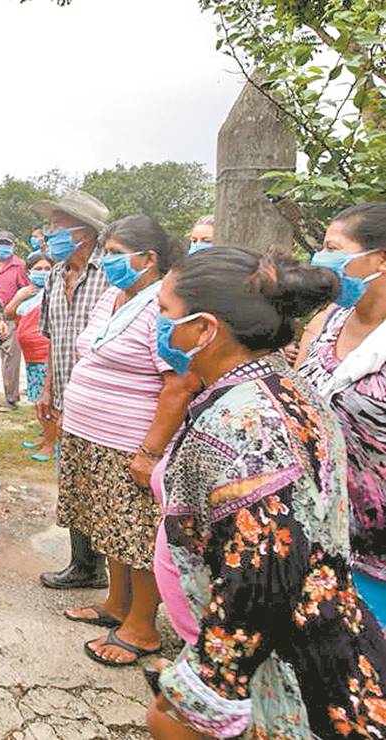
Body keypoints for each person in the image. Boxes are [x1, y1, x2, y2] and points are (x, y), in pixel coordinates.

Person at [147, 246, 386, 739]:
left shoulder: (243, 428)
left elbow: (259, 581)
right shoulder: (282, 386)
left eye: (166, 313)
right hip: (318, 640)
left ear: (205, 329)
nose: (161, 326)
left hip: (287, 676)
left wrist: (200, 699)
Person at [56, 216, 195, 667]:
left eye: (116, 254)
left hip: (130, 442)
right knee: (110, 528)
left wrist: (151, 451)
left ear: (148, 259)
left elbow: (178, 384)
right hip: (91, 436)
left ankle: (142, 626)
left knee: (137, 536)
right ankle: (116, 605)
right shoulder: (116, 297)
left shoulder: (161, 307)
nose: (107, 261)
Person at [297, 202, 386, 625]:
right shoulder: (332, 318)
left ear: (380, 259)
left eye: (334, 249)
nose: (323, 261)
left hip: (378, 551)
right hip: (321, 528)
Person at [32, 190, 112, 590]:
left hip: (103, 402)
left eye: (59, 226)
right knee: (74, 480)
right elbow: (52, 337)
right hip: (66, 394)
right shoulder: (53, 275)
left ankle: (109, 568)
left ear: (85, 233)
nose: (51, 234)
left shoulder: (110, 275)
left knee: (105, 484)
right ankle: (85, 565)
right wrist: (48, 389)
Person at [5, 253, 55, 462]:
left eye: (47, 269)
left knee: (47, 401)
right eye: (38, 269)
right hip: (31, 357)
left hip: (46, 356)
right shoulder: (28, 294)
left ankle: (51, 444)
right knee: (36, 399)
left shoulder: (55, 293)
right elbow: (8, 314)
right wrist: (19, 296)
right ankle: (45, 437)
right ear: (29, 271)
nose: (43, 273)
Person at [0, 230, 30, 413]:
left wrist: (15, 307)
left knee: (10, 359)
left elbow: (28, 291)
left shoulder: (20, 266)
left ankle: (11, 399)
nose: (2, 247)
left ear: (13, 245)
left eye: (6, 244)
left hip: (11, 318)